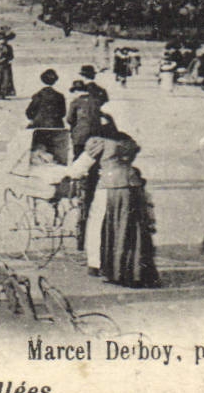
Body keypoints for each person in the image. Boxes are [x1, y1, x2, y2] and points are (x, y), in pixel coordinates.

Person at [66, 119, 160, 288]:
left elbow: (78, 169)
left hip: (111, 187)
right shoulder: (127, 142)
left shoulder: (98, 143)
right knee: (133, 228)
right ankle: (135, 270)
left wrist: (67, 174)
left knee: (98, 223)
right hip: (134, 185)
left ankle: (99, 265)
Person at [67, 78, 108, 250]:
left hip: (79, 138)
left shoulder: (75, 102)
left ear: (76, 92)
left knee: (79, 162)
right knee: (93, 165)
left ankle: (78, 184)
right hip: (96, 139)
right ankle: (91, 183)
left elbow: (70, 120)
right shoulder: (96, 101)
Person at [0, 31, 17, 99]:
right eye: (0, 39)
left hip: (6, 65)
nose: (2, 41)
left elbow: (11, 56)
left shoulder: (8, 47)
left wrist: (6, 59)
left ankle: (3, 93)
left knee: (6, 79)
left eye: (4, 39)